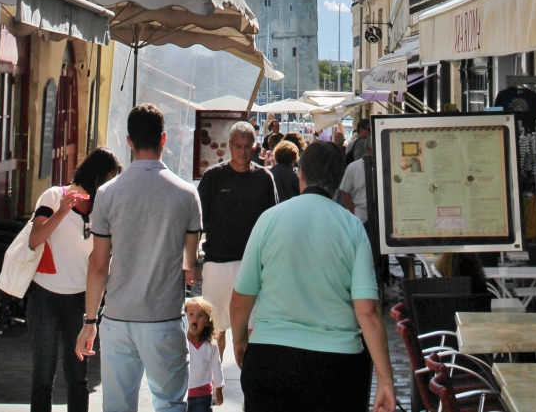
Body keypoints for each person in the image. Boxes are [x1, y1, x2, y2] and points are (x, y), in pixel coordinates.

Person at [231, 141, 395, 412]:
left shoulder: (269, 219)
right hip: (337, 366)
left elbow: (240, 299)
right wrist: (385, 378)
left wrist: (240, 342)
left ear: (301, 174)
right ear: (339, 180)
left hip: (270, 357)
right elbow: (368, 310)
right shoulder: (352, 227)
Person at [75, 104, 202, 412]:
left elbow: (98, 264)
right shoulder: (186, 194)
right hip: (163, 315)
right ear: (164, 139)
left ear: (129, 141)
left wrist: (90, 320)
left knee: (117, 406)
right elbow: (190, 265)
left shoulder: (106, 193)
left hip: (118, 315)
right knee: (171, 404)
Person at [28, 146, 121, 412]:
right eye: (109, 179)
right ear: (96, 176)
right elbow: (35, 239)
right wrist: (62, 211)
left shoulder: (102, 211)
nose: (110, 186)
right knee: (43, 375)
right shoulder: (54, 195)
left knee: (78, 376)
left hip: (80, 299)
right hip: (44, 294)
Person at [198, 121, 277, 356]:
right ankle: (214, 388)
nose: (242, 151)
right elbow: (197, 223)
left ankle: (251, 388)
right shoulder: (213, 177)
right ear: (229, 145)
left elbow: (272, 224)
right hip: (217, 262)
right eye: (238, 146)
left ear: (255, 146)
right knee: (215, 330)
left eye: (247, 146)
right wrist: (190, 262)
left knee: (253, 330)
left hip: (252, 265)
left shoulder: (264, 178)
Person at [185, 297, 224, 411]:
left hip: (203, 394)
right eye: (191, 314)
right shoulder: (180, 343)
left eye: (200, 315)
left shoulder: (210, 346)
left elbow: (216, 367)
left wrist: (219, 389)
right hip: (182, 392)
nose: (195, 318)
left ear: (207, 322)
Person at [340, 137, 370, 224]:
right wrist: (354, 213)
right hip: (360, 215)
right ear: (367, 150)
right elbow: (345, 193)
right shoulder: (353, 167)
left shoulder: (384, 166)